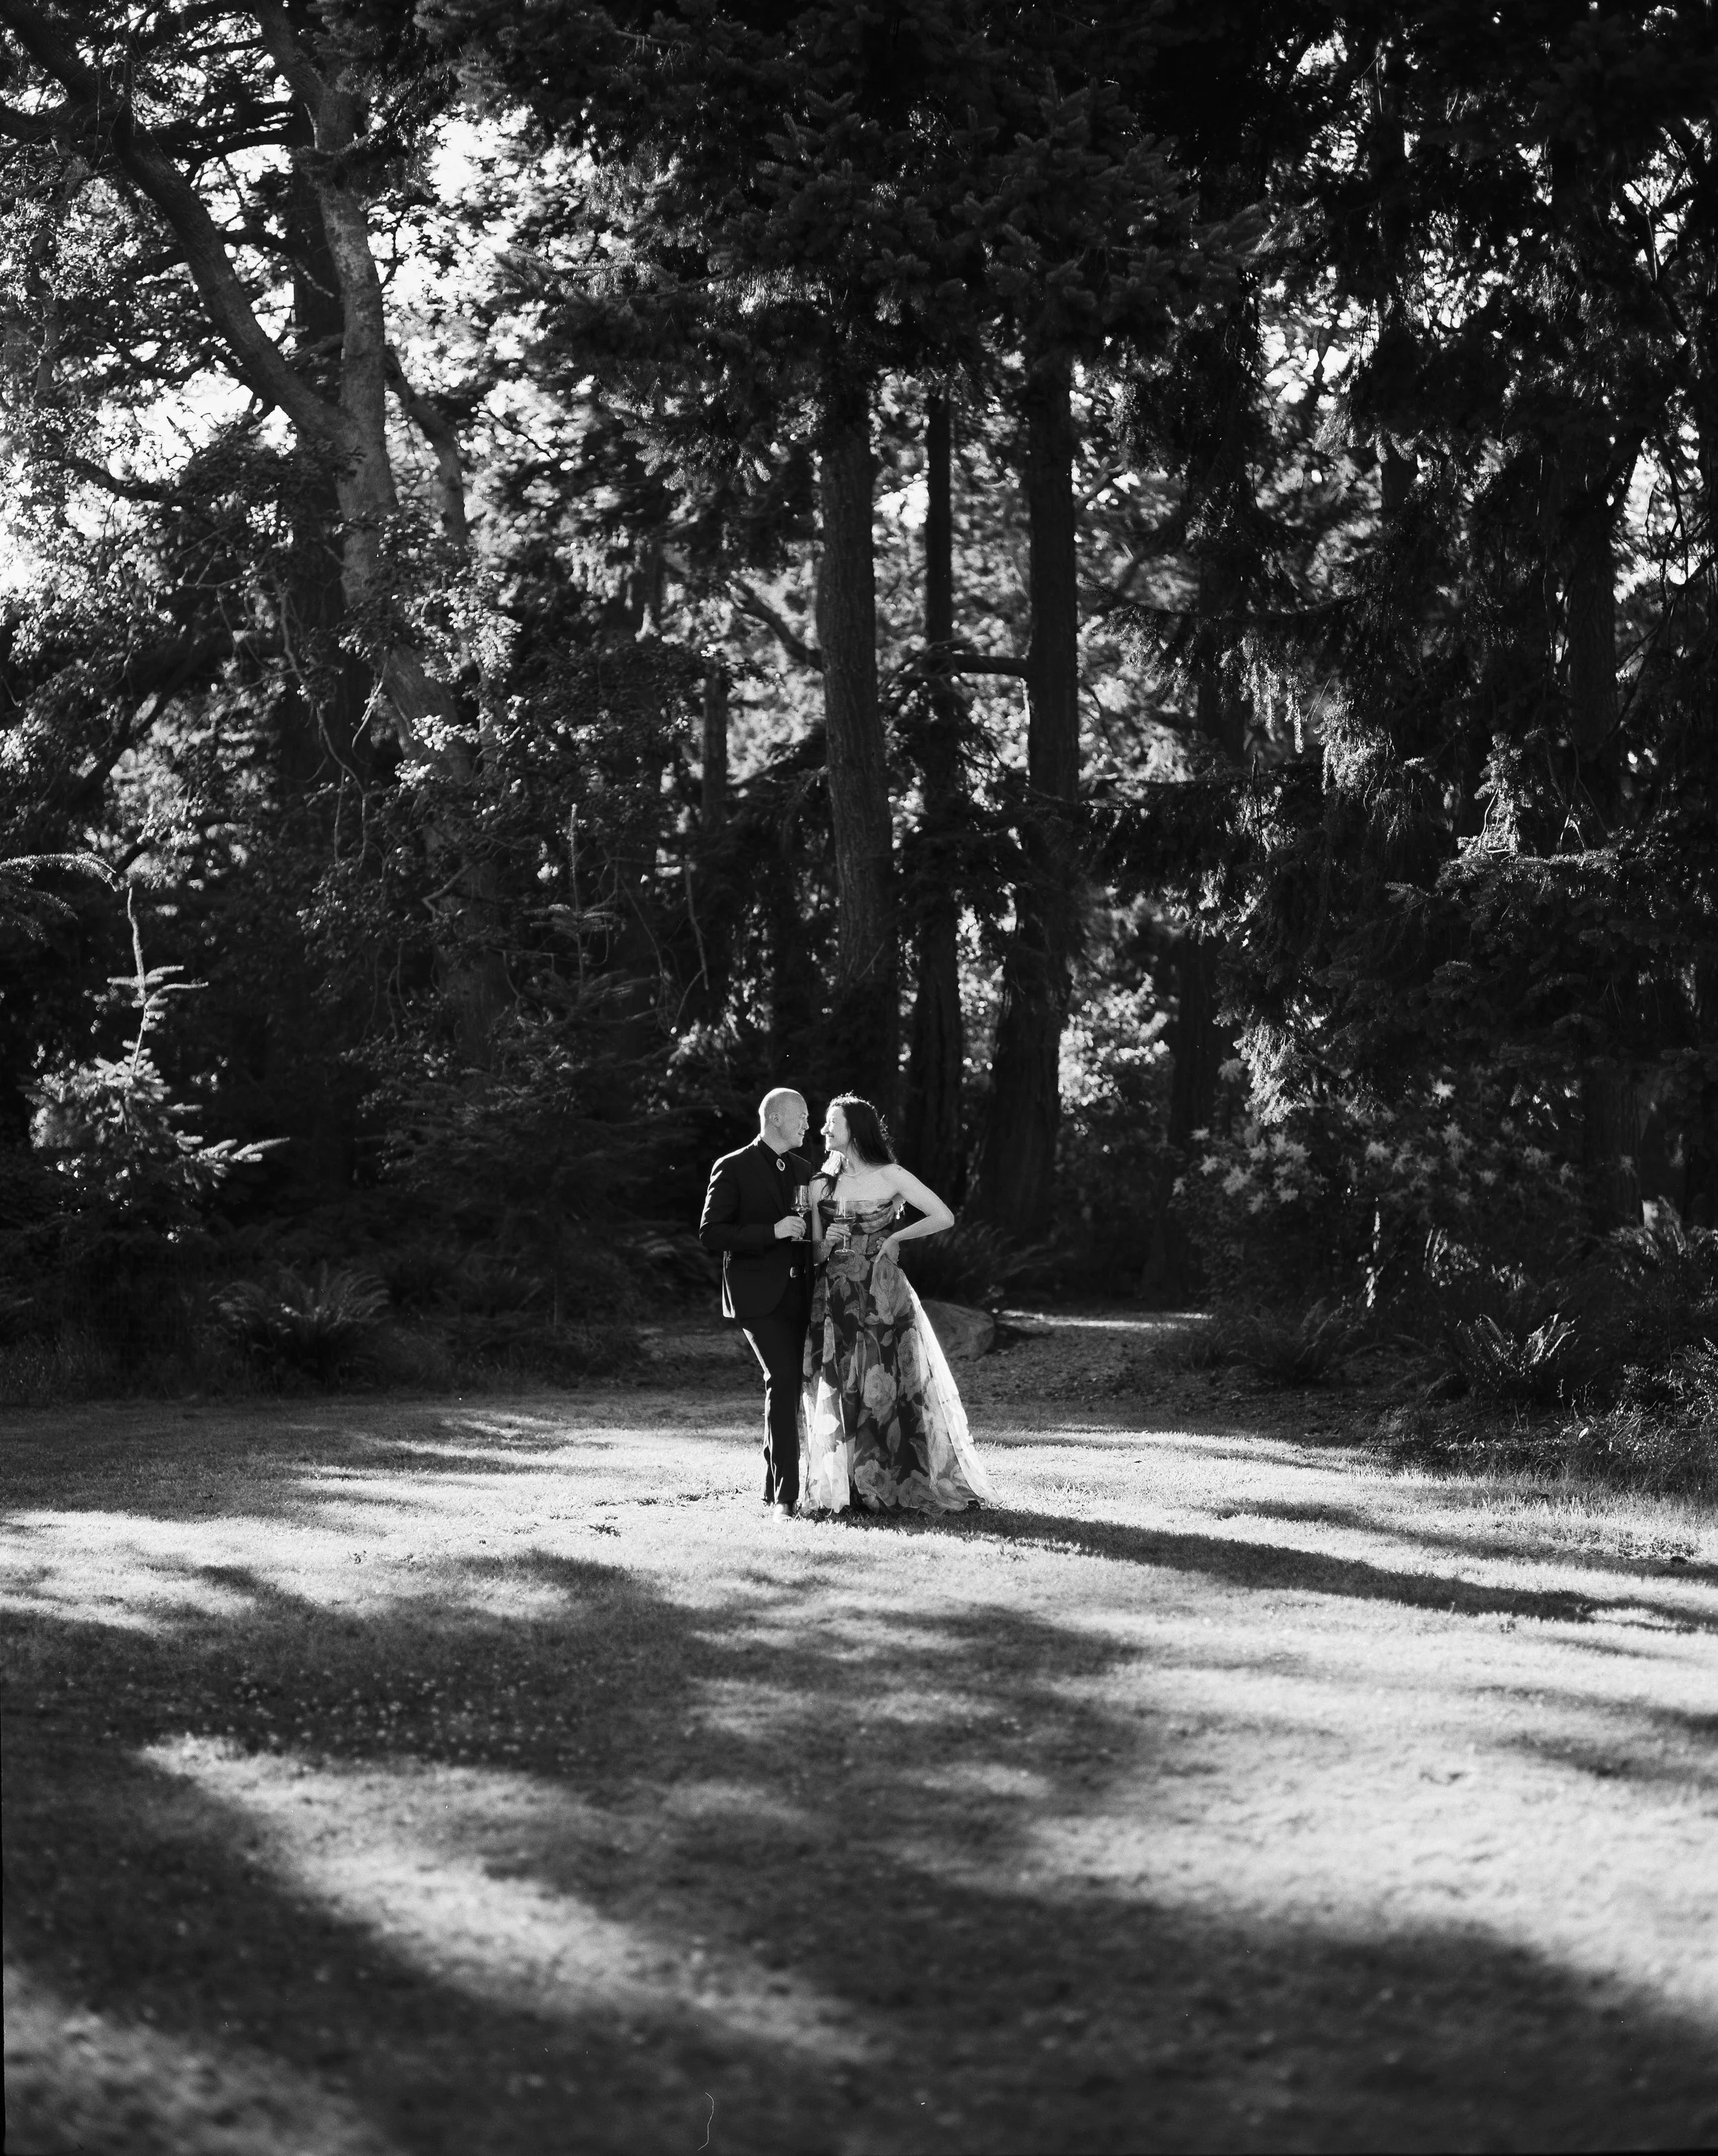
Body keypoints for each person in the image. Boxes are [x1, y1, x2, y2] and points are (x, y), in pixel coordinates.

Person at [801, 1093, 994, 1515]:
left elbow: (943, 1215)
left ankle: (890, 1481)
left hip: (881, 1292)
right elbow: (814, 1255)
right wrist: (824, 1243)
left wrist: (894, 1238)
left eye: (833, 1123)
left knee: (883, 1380)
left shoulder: (891, 1175)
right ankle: (847, 1486)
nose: (824, 1130)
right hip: (834, 1294)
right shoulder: (820, 1184)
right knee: (836, 1384)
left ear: (856, 1129)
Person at [698, 1088, 816, 1518]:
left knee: (785, 1387)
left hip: (802, 1294)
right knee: (783, 1379)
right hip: (756, 1298)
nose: (809, 1124)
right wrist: (773, 1231)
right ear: (779, 1119)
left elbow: (812, 1230)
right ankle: (787, 1499)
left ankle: (773, 1486)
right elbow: (712, 1233)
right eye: (802, 1116)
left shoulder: (805, 1168)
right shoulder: (732, 1166)